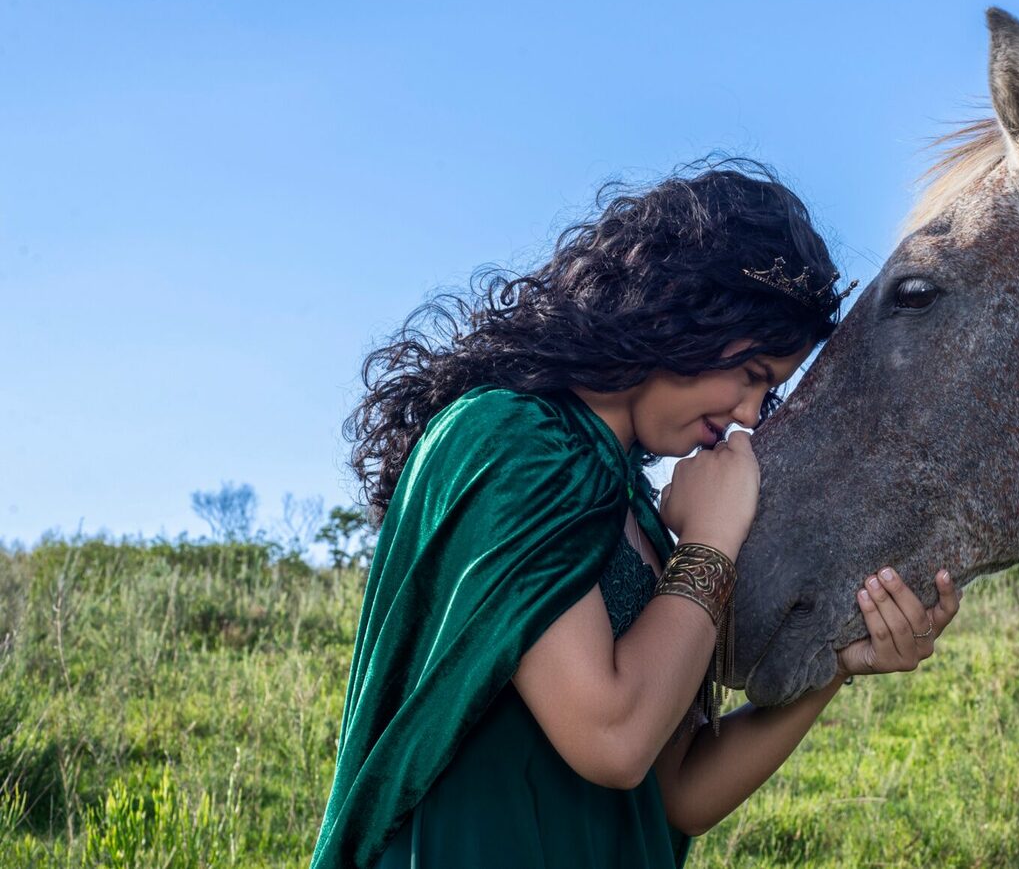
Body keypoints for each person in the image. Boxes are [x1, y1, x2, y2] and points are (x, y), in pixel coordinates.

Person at [309, 160, 962, 869]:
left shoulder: (629, 509)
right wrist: (712, 538)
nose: (749, 415)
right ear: (683, 311)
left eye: (767, 393)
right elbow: (612, 738)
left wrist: (837, 663)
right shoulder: (508, 438)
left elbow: (677, 792)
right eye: (751, 377)